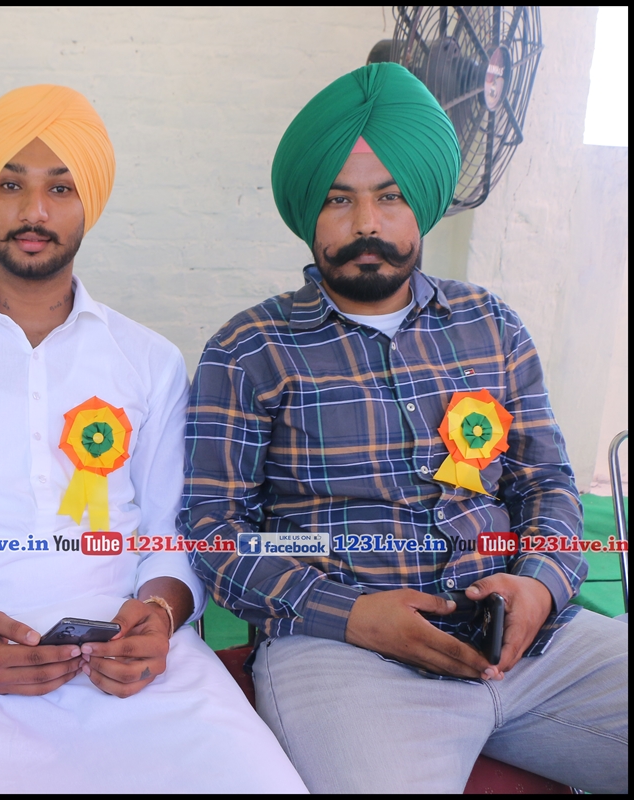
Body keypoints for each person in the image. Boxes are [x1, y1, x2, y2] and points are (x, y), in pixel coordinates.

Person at [0, 84, 306, 794]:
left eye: (60, 187)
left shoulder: (147, 360)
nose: (34, 212)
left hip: (125, 668)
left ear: (89, 204)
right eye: (10, 185)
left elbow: (170, 534)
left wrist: (158, 618)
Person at [180, 62, 628, 793]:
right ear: (309, 212)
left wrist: (541, 588)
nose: (367, 223)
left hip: (531, 648)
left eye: (389, 196)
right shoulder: (249, 349)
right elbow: (213, 530)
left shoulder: (491, 325)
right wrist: (352, 615)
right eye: (339, 199)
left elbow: (546, 483)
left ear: (420, 204)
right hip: (343, 657)